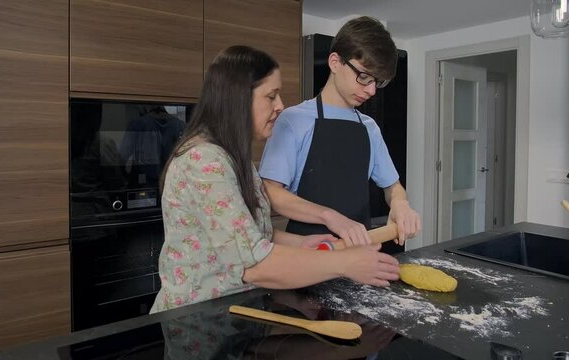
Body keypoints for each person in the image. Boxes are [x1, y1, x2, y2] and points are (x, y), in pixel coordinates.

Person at [150, 45, 400, 313]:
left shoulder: (234, 158)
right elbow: (255, 264)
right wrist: (345, 264)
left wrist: (300, 243)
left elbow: (248, 234)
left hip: (236, 313)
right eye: (271, 96)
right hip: (195, 321)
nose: (280, 106)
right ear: (237, 99)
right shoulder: (204, 162)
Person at [259, 16, 421, 248]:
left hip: (359, 255)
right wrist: (330, 216)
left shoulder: (369, 128)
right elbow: (271, 194)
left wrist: (400, 204)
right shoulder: (293, 120)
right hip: (308, 255)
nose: (372, 90)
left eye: (378, 82)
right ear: (335, 62)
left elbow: (392, 186)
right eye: (364, 76)